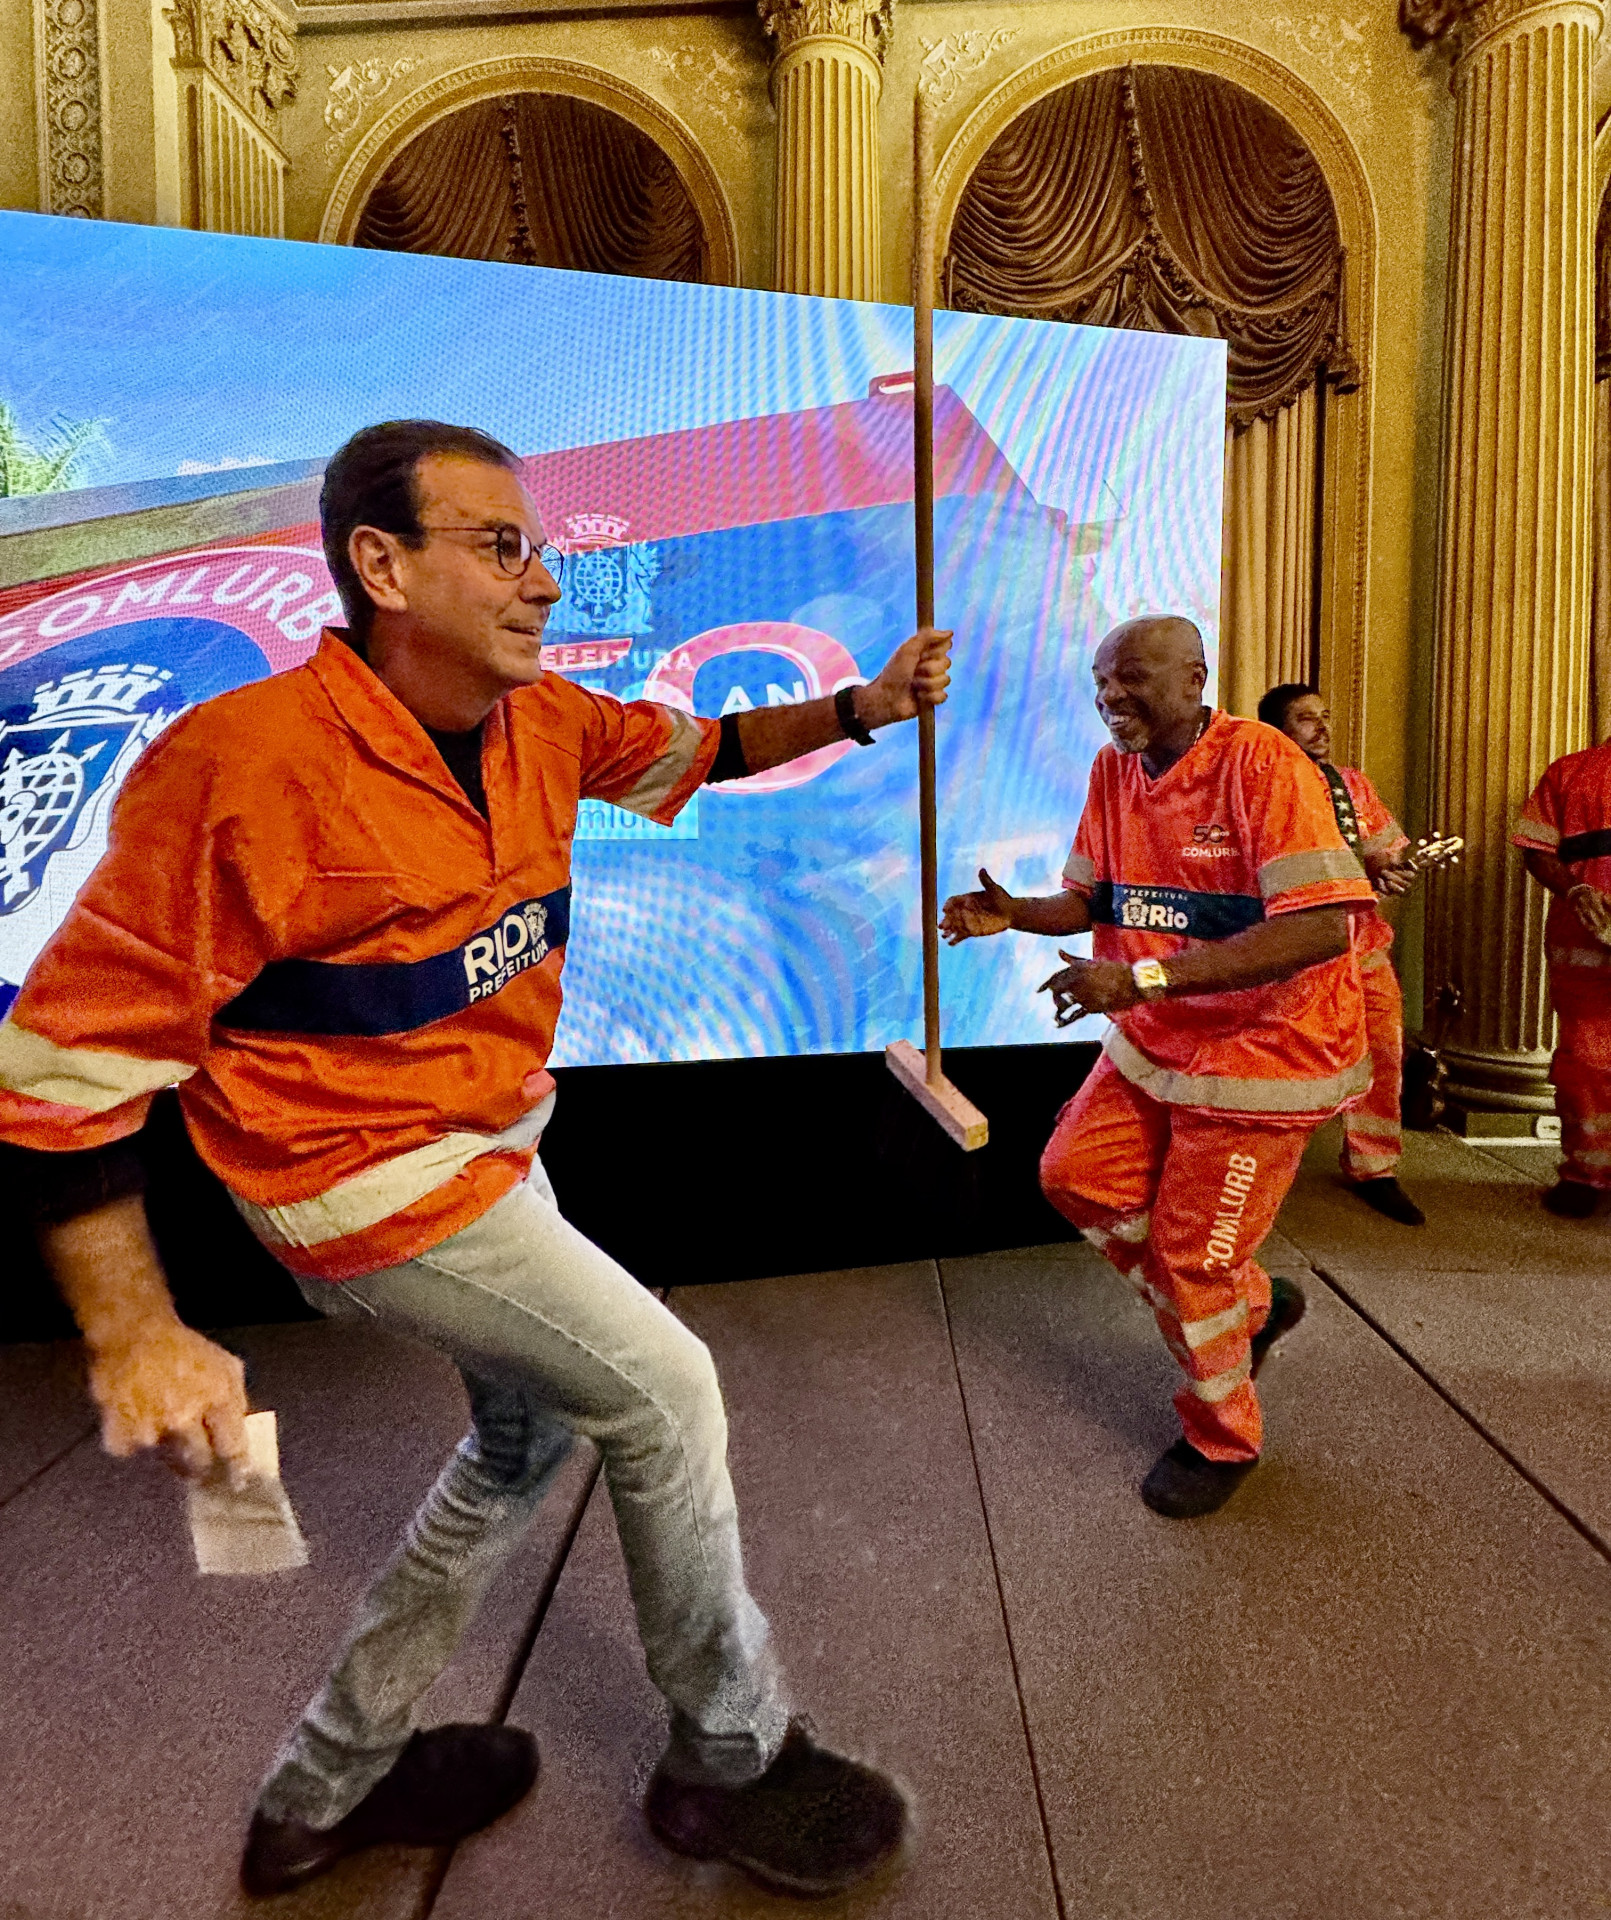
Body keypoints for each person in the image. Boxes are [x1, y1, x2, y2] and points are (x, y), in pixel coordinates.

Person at [0, 420, 953, 1899]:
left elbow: (705, 745)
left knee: (521, 1445)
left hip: (491, 1145)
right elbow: (61, 1073)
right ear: (380, 562)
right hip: (358, 1186)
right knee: (663, 1394)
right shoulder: (237, 768)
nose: (543, 581)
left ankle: (327, 1785)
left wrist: (862, 706)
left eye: (541, 549)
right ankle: (727, 1759)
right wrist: (136, 1330)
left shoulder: (545, 726)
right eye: (501, 547)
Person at [941, 617, 1374, 1519]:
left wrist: (1137, 976)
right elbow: (1091, 901)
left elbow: (1317, 926)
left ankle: (1223, 1434)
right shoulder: (1111, 770)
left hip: (1264, 1054)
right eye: (1100, 681)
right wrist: (1012, 913)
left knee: (1190, 1259)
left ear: (1193, 678)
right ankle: (1245, 1312)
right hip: (1160, 1036)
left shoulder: (1261, 763)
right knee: (1075, 1176)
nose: (1110, 697)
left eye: (1132, 678)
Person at [1256, 683, 1425, 1226]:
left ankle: (1374, 1167)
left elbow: (1385, 852)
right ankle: (1258, 1175)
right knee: (1279, 1063)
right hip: (1294, 954)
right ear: (1275, 730)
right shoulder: (1258, 782)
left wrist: (1396, 867)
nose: (1322, 728)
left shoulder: (1352, 784)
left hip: (1363, 949)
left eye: (1324, 717)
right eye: (1306, 719)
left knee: (1382, 1052)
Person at [1515, 741, 1611, 1217]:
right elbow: (1536, 850)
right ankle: (1585, 1173)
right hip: (1583, 941)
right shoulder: (1570, 773)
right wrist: (1574, 889)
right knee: (1585, 1063)